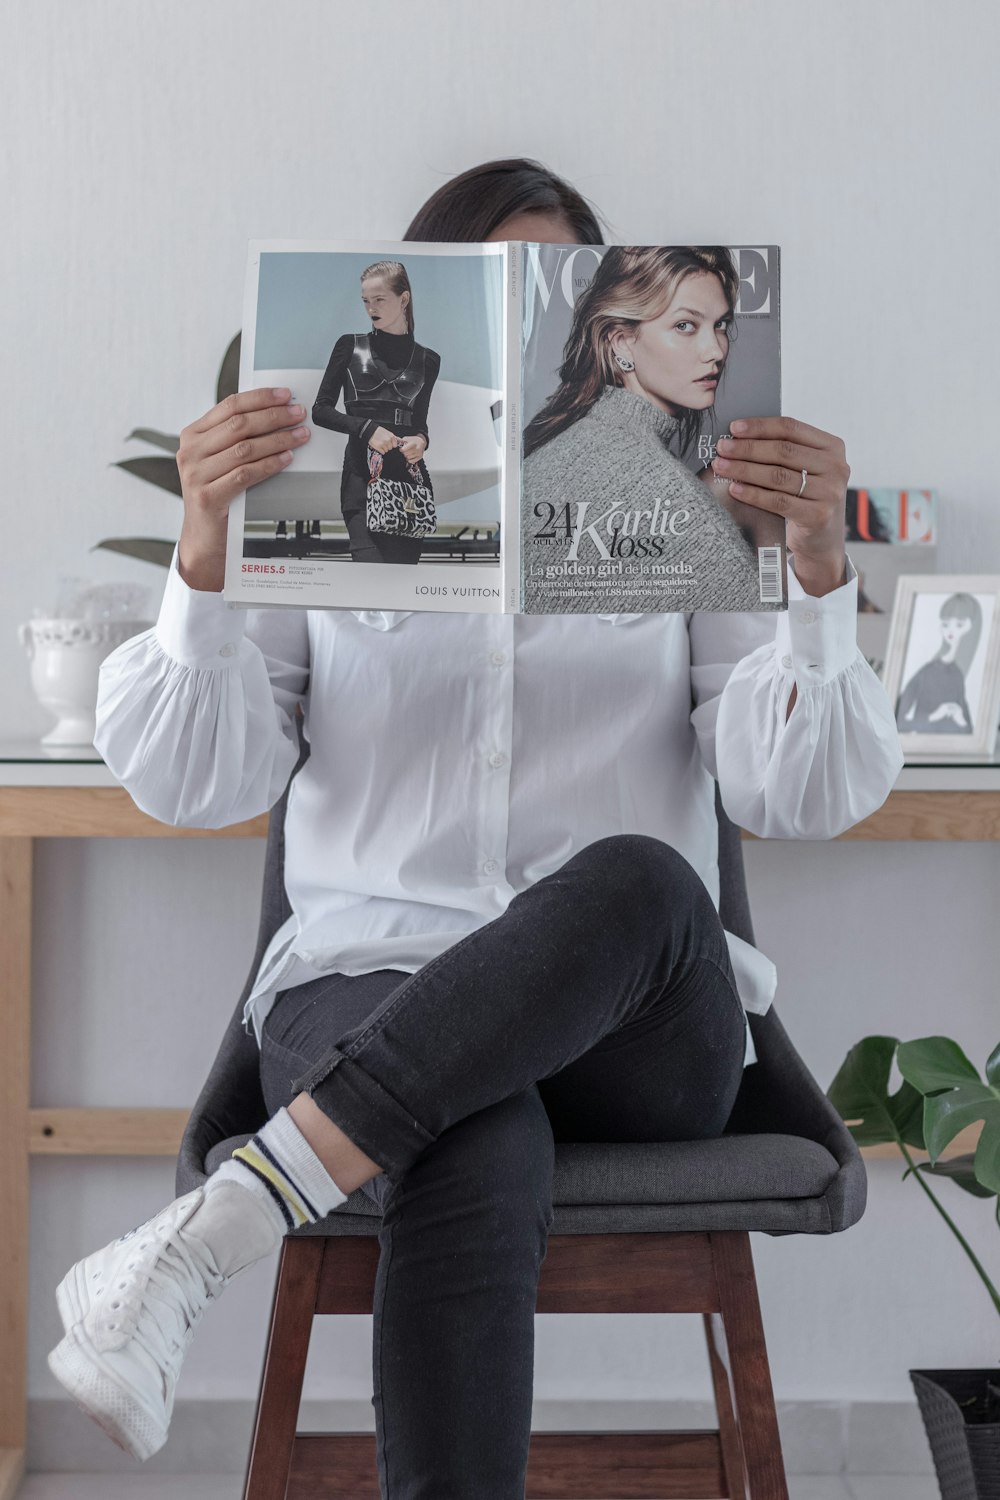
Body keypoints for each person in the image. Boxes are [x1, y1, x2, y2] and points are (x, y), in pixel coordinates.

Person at [48, 157, 903, 1498]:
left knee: (640, 880)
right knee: (470, 1121)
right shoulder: (334, 484)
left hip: (643, 1032)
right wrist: (204, 555)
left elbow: (803, 797)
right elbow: (188, 784)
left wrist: (813, 582)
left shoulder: (678, 496)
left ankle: (218, 1227)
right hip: (363, 981)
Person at [522, 245, 774, 610]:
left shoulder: (571, 437)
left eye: (720, 325)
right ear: (622, 342)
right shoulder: (670, 498)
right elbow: (770, 653)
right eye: (685, 326)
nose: (716, 351)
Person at [312, 258, 441, 564]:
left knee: (404, 587)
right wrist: (367, 429)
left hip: (409, 488)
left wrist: (421, 441)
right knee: (370, 576)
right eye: (366, 301)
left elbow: (419, 422)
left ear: (404, 299)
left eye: (380, 299)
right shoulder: (349, 346)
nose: (371, 308)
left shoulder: (429, 360)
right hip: (361, 479)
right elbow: (321, 410)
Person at [895, 592, 981, 733]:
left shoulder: (957, 675)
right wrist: (933, 716)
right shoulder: (926, 672)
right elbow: (900, 723)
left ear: (969, 628)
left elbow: (970, 731)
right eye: (946, 624)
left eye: (959, 624)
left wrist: (960, 719)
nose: (951, 630)